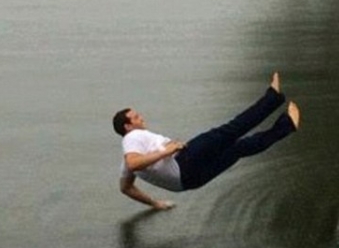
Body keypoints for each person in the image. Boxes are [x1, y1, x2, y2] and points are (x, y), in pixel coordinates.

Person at [113, 72, 300, 209]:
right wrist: (166, 151)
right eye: (136, 117)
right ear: (127, 127)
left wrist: (155, 203)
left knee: (239, 148)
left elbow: (126, 188)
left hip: (189, 183)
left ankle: (287, 125)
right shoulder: (132, 137)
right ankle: (272, 98)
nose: (141, 118)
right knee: (232, 130)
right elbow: (134, 162)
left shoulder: (126, 165)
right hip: (184, 161)